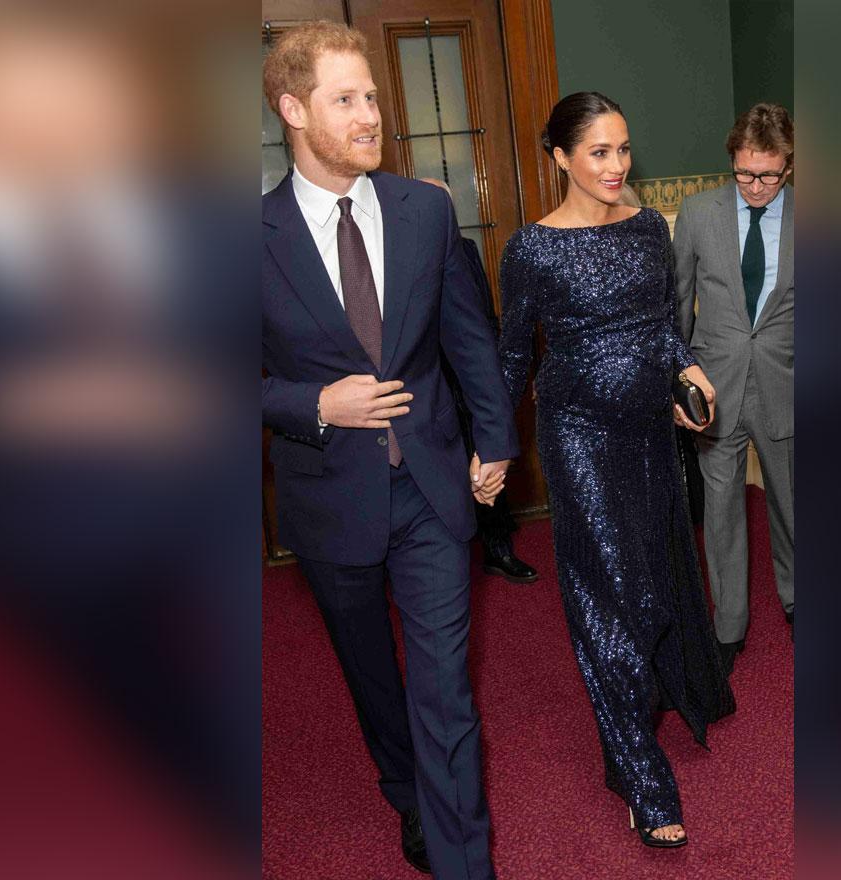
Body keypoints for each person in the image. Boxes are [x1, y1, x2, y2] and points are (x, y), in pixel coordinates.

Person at [260, 22, 517, 879]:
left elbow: (467, 338)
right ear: (295, 110)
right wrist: (315, 402)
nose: (371, 114)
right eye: (347, 99)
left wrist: (496, 439)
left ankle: (461, 862)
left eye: (371, 95)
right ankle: (402, 786)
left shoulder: (426, 209)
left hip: (434, 489)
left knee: (444, 691)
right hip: (329, 498)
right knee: (373, 673)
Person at [497, 91, 735, 848]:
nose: (615, 165)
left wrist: (690, 375)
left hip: (647, 434)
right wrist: (493, 444)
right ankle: (642, 774)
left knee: (657, 584)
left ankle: (630, 727)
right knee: (614, 595)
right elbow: (510, 356)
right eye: (598, 151)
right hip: (578, 437)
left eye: (623, 150)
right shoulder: (531, 248)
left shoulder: (644, 233)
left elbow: (667, 326)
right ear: (560, 157)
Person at [673, 103, 796, 665]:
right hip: (714, 388)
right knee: (720, 509)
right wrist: (676, 380)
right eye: (745, 173)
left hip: (786, 384)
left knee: (793, 506)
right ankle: (729, 626)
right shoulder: (698, 213)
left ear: (789, 166)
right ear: (733, 161)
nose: (756, 186)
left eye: (768, 174)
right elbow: (676, 302)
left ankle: (798, 603)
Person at [419, 178, 538, 584]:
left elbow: (483, 317)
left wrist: (493, 376)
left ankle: (498, 549)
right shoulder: (397, 252)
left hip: (468, 378)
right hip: (424, 381)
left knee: (487, 458)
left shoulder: (466, 250)